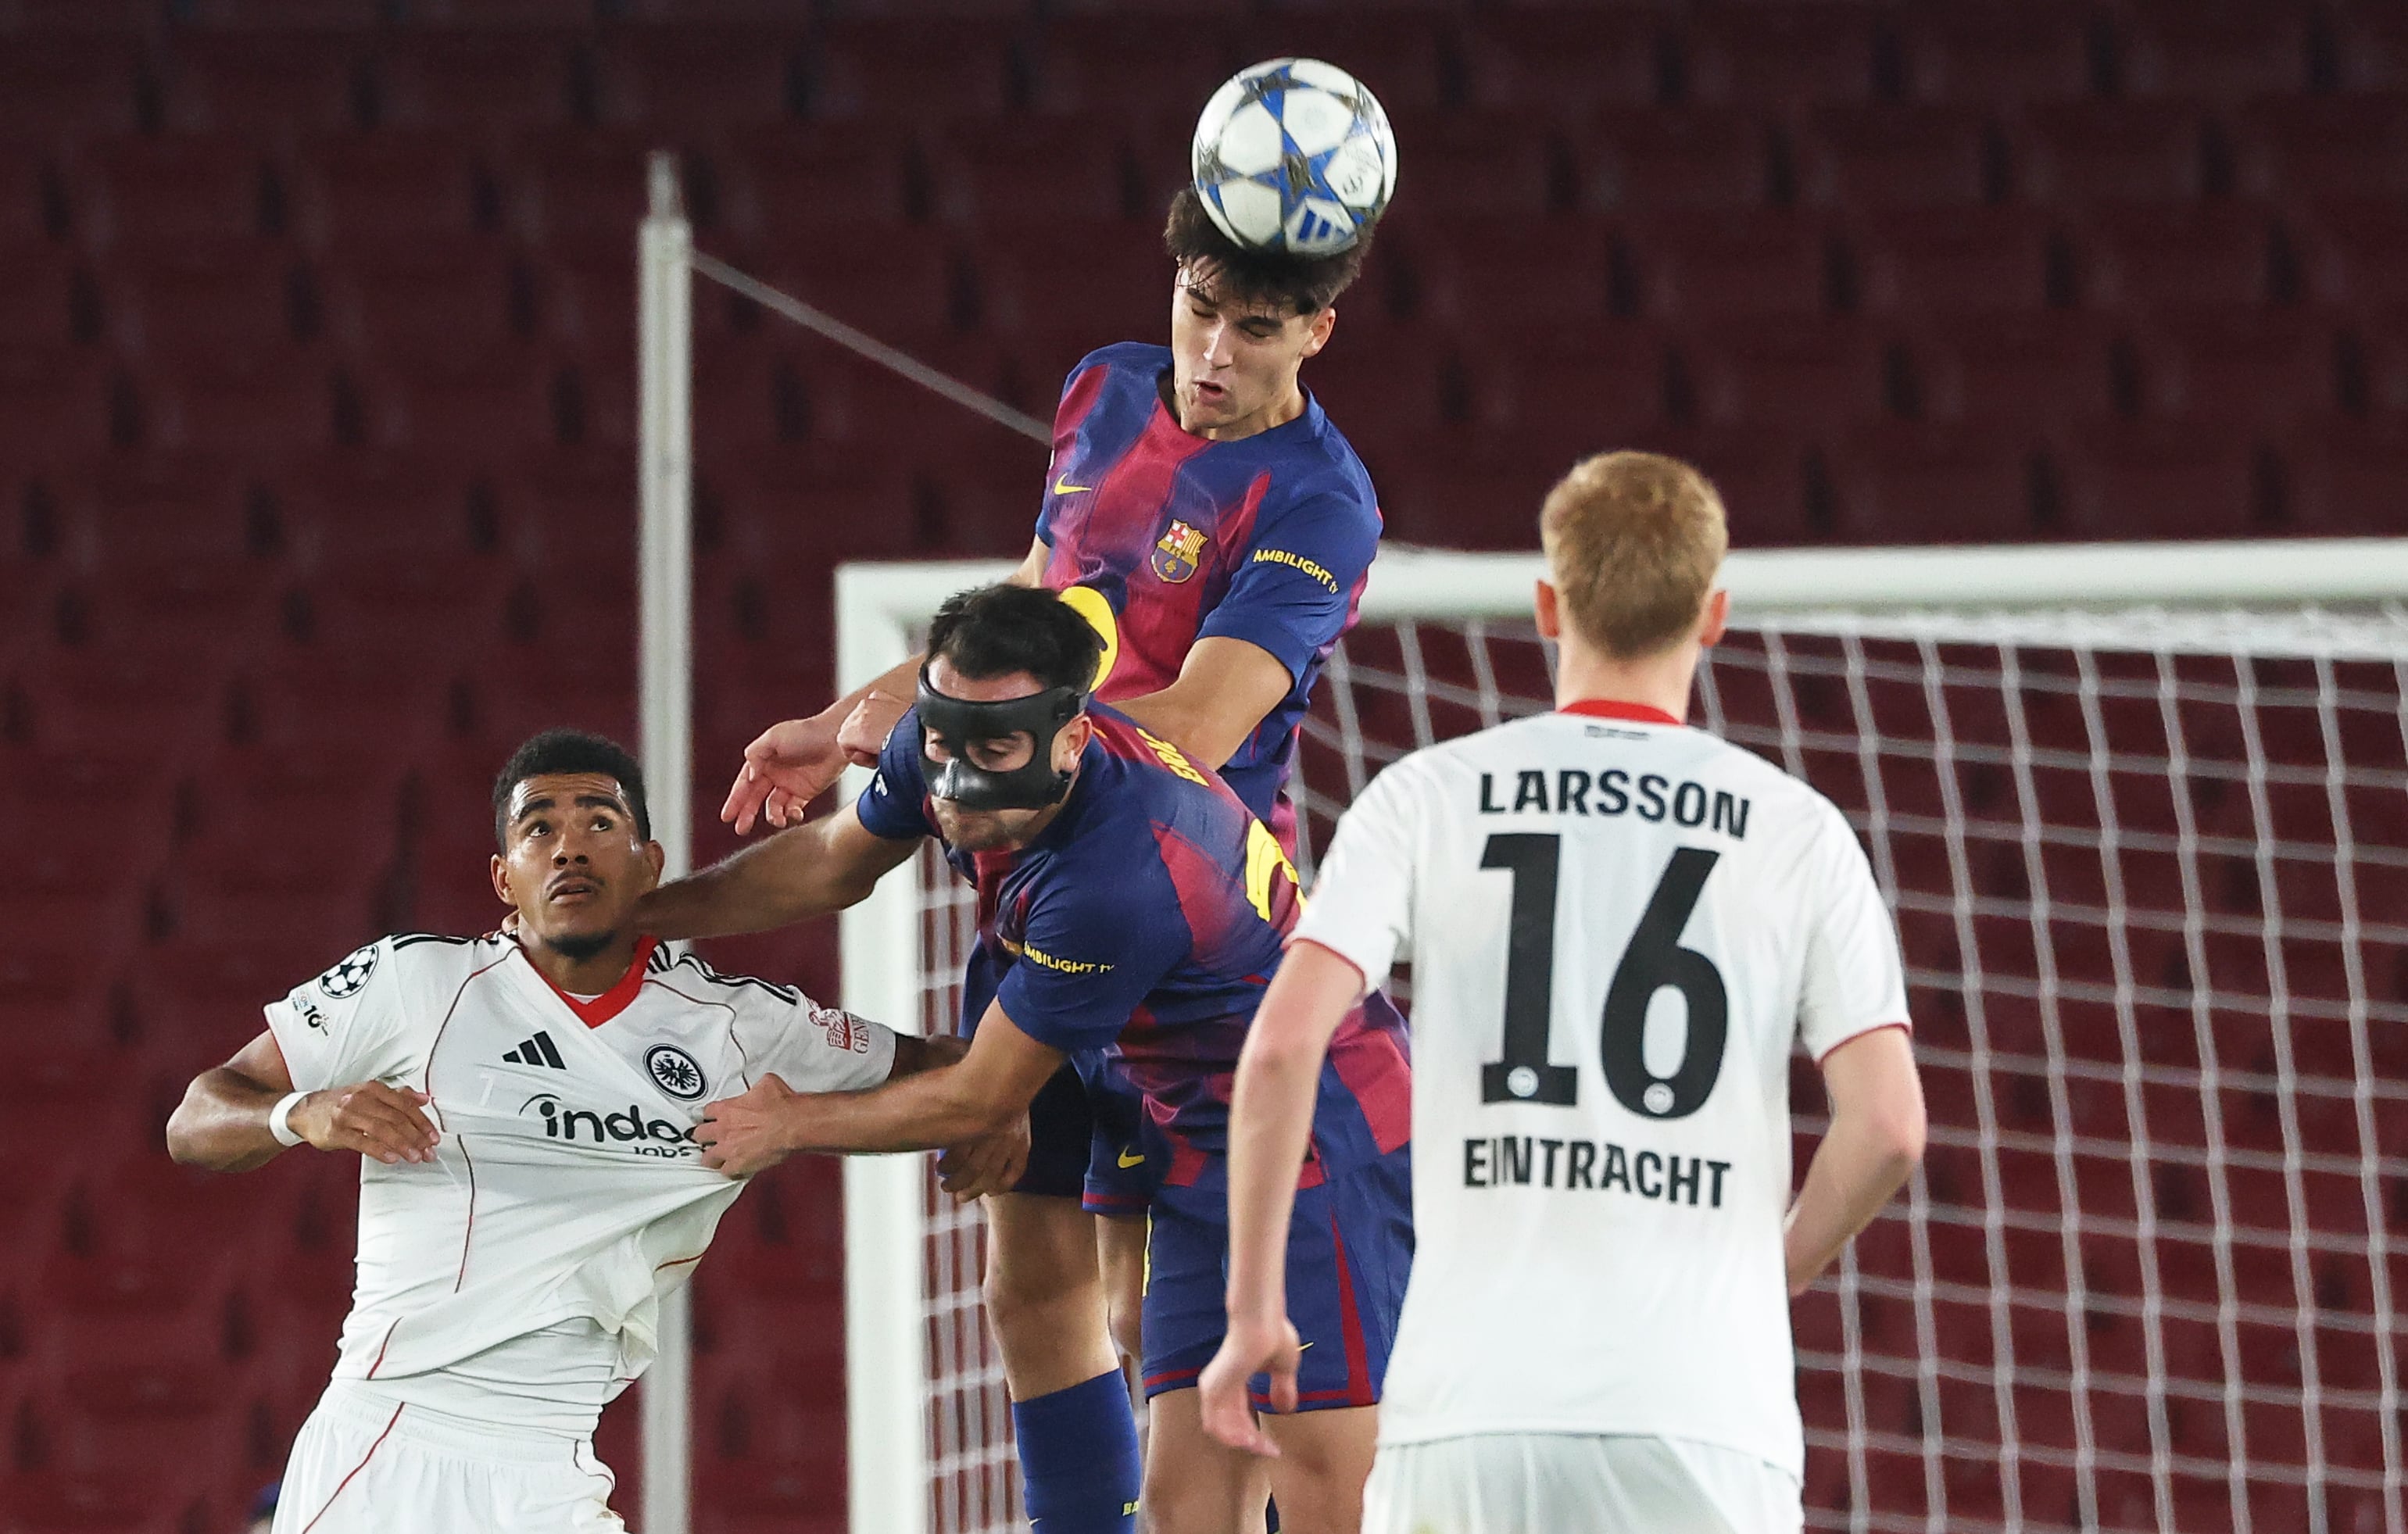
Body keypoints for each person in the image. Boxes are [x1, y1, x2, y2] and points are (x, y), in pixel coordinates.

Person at [714, 185, 1392, 1530]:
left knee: (1170, 1328)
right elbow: (1025, 616)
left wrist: (963, 738)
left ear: (1318, 328)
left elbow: (1196, 726)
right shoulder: (1102, 392)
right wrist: (852, 703)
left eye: (1254, 330)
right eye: (1198, 309)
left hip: (1170, 912)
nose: (1211, 354)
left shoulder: (1320, 502)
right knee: (1032, 1281)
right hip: (1032, 868)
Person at [1197, 452, 1930, 1533]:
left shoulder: (1428, 795)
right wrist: (1776, 1267)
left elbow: (1276, 1049)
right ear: (1713, 613)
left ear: (1547, 605)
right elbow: (1887, 1125)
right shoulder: (1795, 829)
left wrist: (1254, 1304)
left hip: (1471, 1412)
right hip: (1704, 1416)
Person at [644, 585, 1415, 1534]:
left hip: (1317, 1134)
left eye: (995, 752)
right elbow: (836, 858)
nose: (959, 785)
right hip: (1185, 1119)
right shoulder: (956, 741)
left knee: (1324, 1488)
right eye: (941, 746)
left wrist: (791, 1121)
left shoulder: (1120, 873)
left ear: (1072, 737)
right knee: (1189, 1505)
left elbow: (977, 1096)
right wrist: (642, 919)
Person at [165, 729, 1011, 1534]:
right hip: (391, 1441)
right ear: (504, 877)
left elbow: (954, 1067)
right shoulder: (414, 981)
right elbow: (195, 1116)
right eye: (540, 830)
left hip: (551, 1460)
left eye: (598, 823)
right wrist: (299, 1112)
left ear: (649, 865)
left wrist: (996, 1103)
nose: (569, 847)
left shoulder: (738, 1028)